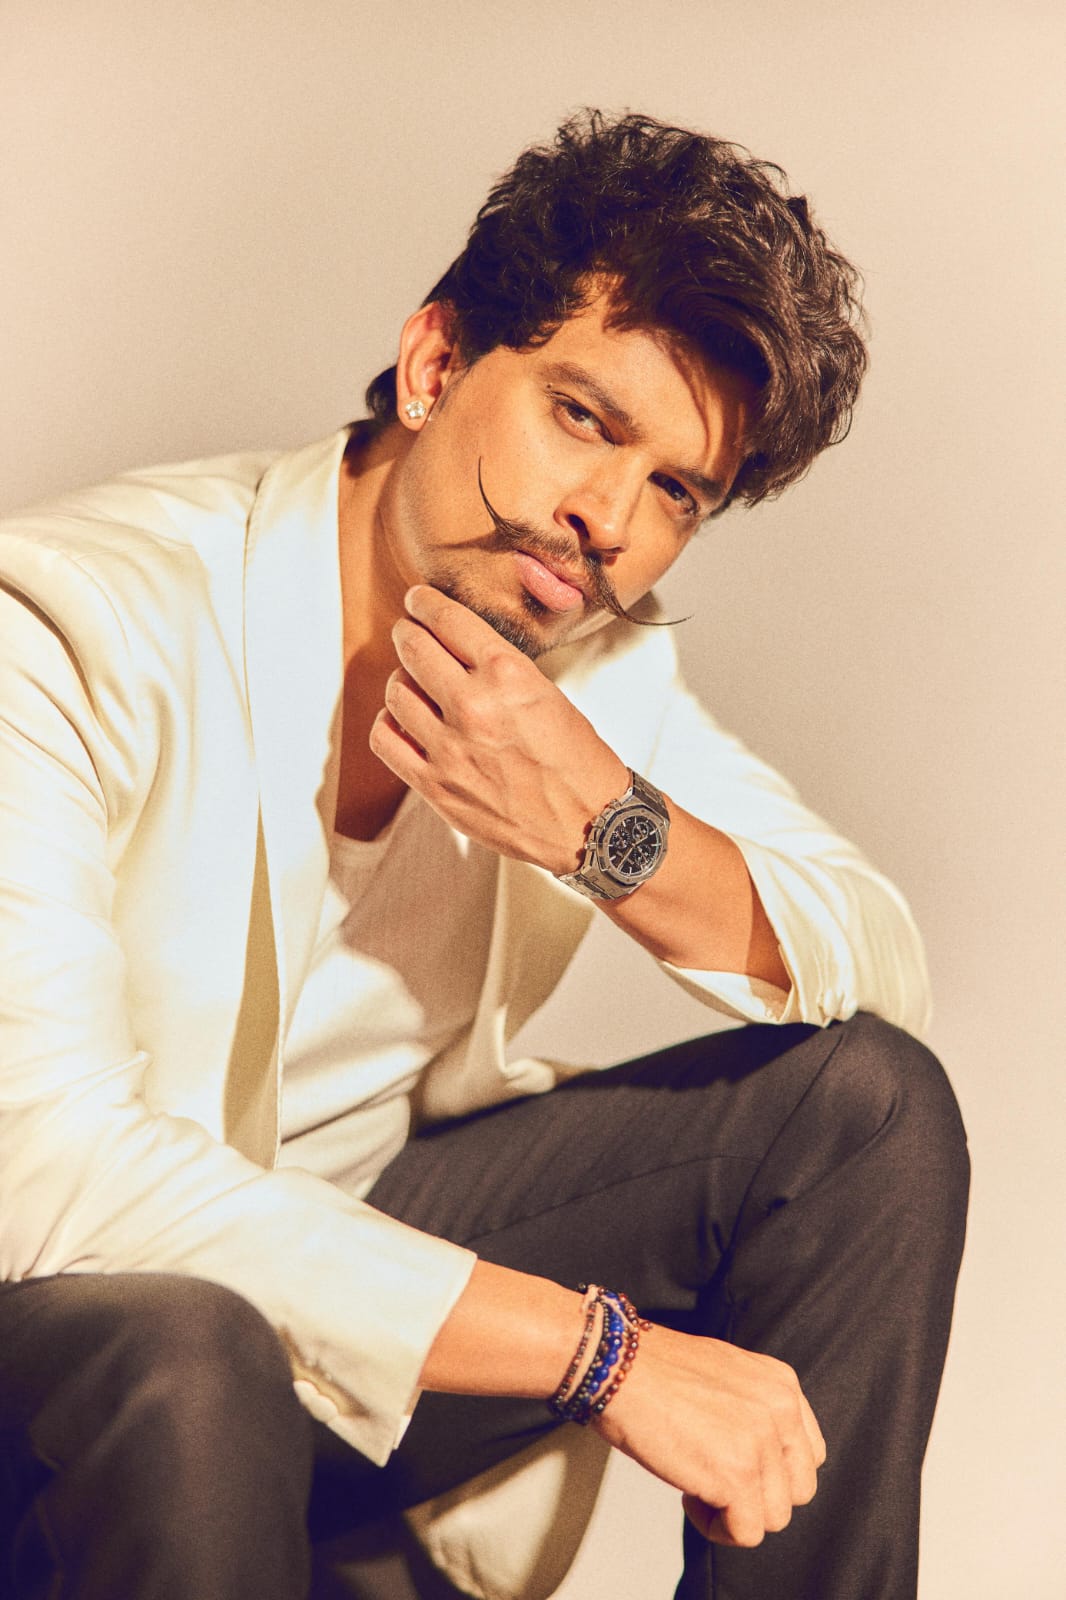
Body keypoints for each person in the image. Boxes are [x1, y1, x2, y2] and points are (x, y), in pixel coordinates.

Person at [0, 111, 968, 1600]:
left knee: (864, 1111)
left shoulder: (582, 668)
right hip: (71, 1367)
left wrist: (610, 835)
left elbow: (873, 953)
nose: (607, 522)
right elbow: (46, 1174)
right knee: (183, 1342)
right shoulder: (69, 625)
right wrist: (604, 1355)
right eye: (583, 417)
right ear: (436, 362)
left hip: (340, 1359)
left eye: (677, 492)